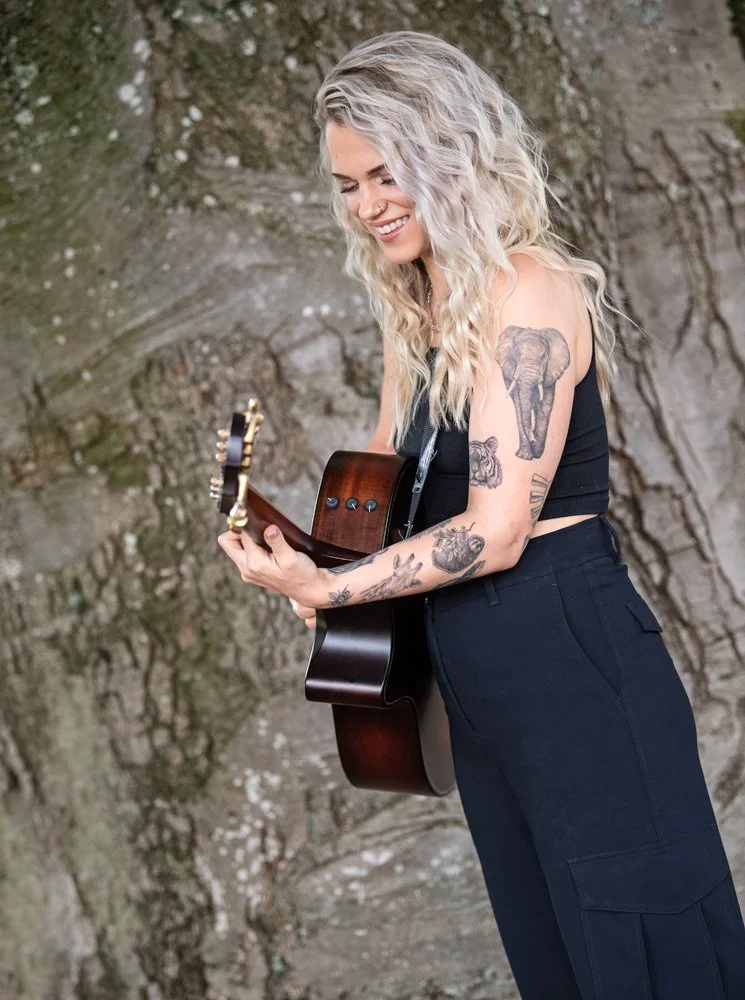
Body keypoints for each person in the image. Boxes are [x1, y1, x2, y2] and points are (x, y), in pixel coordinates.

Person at [218, 30, 745, 1000]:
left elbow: (498, 530)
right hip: (475, 688)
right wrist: (307, 564)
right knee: (555, 967)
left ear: (452, 154)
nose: (367, 205)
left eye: (387, 174)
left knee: (646, 959)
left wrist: (337, 587)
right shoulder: (418, 305)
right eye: (348, 185)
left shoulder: (528, 291)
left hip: (571, 661)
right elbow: (381, 498)